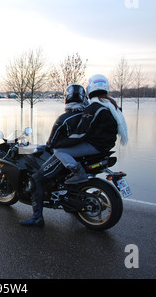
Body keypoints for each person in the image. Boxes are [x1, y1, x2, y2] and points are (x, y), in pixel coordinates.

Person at [19, 84, 89, 227]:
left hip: (64, 155)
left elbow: (51, 143)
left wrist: (41, 146)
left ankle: (37, 218)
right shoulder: (87, 115)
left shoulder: (64, 119)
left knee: (37, 179)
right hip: (82, 153)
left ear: (67, 98)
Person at [54, 74, 128, 185]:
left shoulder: (93, 108)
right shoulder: (110, 105)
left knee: (59, 151)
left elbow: (80, 133)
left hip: (95, 146)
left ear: (90, 89)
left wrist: (60, 143)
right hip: (106, 145)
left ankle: (78, 173)